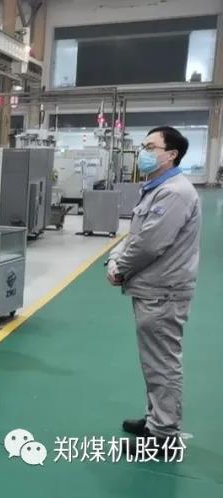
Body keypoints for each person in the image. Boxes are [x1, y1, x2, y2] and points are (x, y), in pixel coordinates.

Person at [106, 126, 200, 449]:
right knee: (154, 361)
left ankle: (163, 435)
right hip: (154, 289)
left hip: (163, 291)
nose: (142, 152)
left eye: (150, 147)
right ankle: (156, 419)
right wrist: (114, 260)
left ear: (171, 154)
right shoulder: (157, 189)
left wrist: (121, 268)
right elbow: (136, 235)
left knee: (162, 363)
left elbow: (149, 244)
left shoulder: (175, 193)